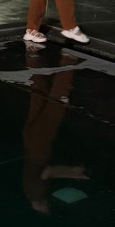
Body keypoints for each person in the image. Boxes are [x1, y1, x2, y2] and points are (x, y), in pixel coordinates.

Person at [22, 50, 90, 214]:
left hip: (39, 146)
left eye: (47, 207)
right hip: (30, 143)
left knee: (56, 104)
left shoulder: (36, 193)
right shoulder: (28, 191)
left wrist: (73, 172)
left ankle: (68, 59)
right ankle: (32, 55)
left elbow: (49, 171)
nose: (48, 205)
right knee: (38, 95)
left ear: (41, 208)